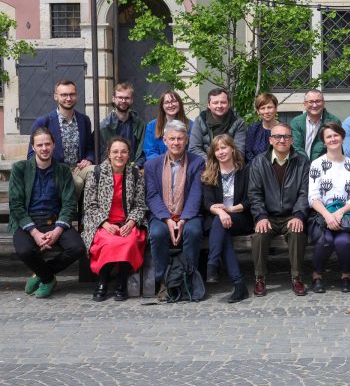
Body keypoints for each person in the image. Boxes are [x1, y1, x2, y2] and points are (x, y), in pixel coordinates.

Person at [10, 127, 86, 298]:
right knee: (25, 251)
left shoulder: (63, 170)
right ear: (33, 147)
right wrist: (35, 233)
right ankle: (48, 278)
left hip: (55, 221)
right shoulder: (20, 169)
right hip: (28, 223)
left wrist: (58, 230)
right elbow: (16, 205)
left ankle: (41, 274)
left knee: (77, 248)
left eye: (47, 144)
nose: (44, 148)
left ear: (53, 145)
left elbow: (69, 203)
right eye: (40, 145)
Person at [82, 137, 147, 302]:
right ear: (108, 154)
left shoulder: (135, 175)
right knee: (108, 242)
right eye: (115, 152)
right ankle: (102, 282)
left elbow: (140, 205)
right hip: (103, 223)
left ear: (129, 155)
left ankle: (121, 282)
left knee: (129, 240)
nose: (120, 155)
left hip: (127, 222)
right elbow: (90, 205)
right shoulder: (96, 173)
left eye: (124, 152)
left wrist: (131, 222)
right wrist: (104, 223)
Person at [249, 122, 310, 297]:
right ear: (270, 140)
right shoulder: (258, 162)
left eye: (286, 136)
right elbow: (254, 193)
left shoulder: (302, 162)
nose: (282, 140)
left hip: (291, 215)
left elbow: (305, 193)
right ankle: (259, 279)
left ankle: (296, 278)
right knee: (259, 235)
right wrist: (260, 216)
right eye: (277, 136)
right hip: (267, 215)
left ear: (291, 140)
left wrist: (299, 215)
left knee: (297, 233)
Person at [145, 120, 206, 291]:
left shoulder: (197, 162)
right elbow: (151, 195)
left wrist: (184, 219)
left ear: (186, 140)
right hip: (161, 214)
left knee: (193, 232)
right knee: (157, 234)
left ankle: (188, 278)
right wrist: (167, 219)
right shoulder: (152, 165)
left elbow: (196, 194)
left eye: (180, 139)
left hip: (189, 213)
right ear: (164, 140)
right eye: (172, 139)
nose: (176, 142)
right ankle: (164, 281)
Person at [307, 123, 350, 293]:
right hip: (322, 215)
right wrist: (328, 216)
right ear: (324, 142)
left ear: (342, 137)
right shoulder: (316, 164)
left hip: (345, 215)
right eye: (328, 137)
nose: (333, 139)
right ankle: (317, 276)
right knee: (326, 241)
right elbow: (313, 197)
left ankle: (346, 276)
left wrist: (339, 213)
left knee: (344, 242)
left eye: (336, 135)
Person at [201, 134, 251, 303]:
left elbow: (250, 199)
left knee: (220, 225)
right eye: (217, 149)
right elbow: (207, 202)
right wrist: (221, 213)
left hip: (240, 217)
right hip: (218, 220)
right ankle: (239, 285)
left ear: (232, 149)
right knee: (222, 232)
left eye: (224, 147)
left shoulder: (245, 171)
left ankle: (212, 264)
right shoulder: (209, 173)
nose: (221, 152)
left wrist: (229, 210)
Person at [28, 80, 95, 197]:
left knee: (97, 172)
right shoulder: (43, 122)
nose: (68, 98)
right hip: (56, 169)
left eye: (72, 94)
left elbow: (89, 147)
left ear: (76, 96)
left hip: (79, 168)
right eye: (64, 95)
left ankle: (89, 212)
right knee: (77, 183)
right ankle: (71, 213)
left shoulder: (84, 120)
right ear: (55, 96)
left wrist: (89, 159)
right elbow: (31, 154)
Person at [99, 82, 147, 168]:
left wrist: (136, 166)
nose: (123, 101)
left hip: (135, 169)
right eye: (120, 97)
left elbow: (143, 151)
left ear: (132, 100)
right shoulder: (104, 126)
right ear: (113, 99)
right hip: (110, 169)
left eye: (127, 98)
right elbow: (101, 153)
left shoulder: (140, 125)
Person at [189, 88, 247, 158]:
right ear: (209, 105)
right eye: (215, 103)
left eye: (223, 102)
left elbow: (239, 151)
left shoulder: (238, 122)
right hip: (206, 164)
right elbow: (194, 148)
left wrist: (225, 163)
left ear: (229, 104)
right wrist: (211, 164)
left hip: (230, 164)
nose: (219, 106)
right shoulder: (200, 120)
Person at [290, 89, 341, 161]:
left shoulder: (333, 121)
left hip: (326, 165)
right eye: (310, 102)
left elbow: (336, 147)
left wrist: (316, 165)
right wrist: (307, 164)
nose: (314, 105)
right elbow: (297, 147)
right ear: (305, 104)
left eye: (318, 101)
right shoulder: (296, 122)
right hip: (301, 165)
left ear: (323, 103)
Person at [143, 90, 193, 161]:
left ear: (179, 104)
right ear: (162, 106)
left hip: (184, 165)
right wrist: (165, 163)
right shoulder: (152, 126)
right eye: (167, 102)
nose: (171, 105)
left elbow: (192, 149)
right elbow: (149, 151)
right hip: (159, 166)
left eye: (174, 101)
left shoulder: (191, 125)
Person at [245, 92, 279, 163]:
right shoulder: (253, 129)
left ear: (276, 108)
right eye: (262, 108)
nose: (266, 111)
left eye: (269, 107)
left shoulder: (284, 129)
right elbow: (248, 152)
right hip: (256, 169)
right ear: (258, 111)